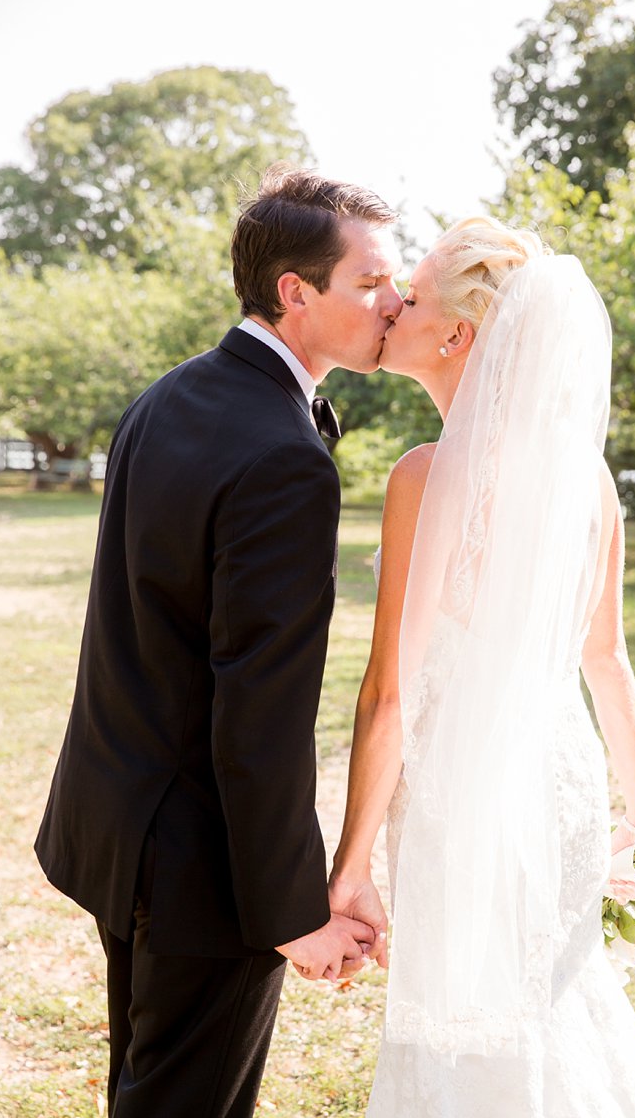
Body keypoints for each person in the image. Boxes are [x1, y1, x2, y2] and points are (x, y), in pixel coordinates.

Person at [33, 164, 402, 1117]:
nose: (393, 302)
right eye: (369, 283)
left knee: (146, 1086)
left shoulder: (167, 397)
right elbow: (261, 713)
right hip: (205, 868)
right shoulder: (284, 457)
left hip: (118, 831)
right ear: (296, 292)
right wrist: (292, 914)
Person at [327, 216, 635, 1114]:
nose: (391, 307)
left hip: (460, 797)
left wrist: (349, 865)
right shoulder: (589, 482)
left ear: (455, 335)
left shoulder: (420, 477)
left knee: (463, 1029)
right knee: (552, 1007)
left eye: (407, 296)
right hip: (560, 788)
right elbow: (607, 661)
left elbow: (391, 696)